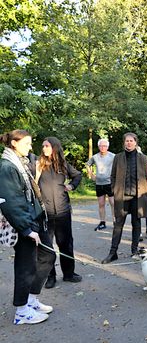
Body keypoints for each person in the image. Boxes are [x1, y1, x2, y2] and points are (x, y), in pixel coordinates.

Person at [0, 130, 56, 325]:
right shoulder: (7, 166)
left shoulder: (20, 161)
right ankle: (21, 312)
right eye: (27, 143)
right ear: (14, 143)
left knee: (48, 256)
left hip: (36, 219)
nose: (31, 147)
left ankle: (31, 300)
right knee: (26, 267)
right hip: (25, 225)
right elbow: (10, 201)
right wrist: (26, 228)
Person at [38, 137, 82, 289]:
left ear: (55, 147)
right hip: (46, 213)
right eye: (43, 146)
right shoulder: (38, 165)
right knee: (47, 247)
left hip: (63, 211)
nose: (44, 148)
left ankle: (69, 274)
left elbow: (78, 175)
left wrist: (71, 186)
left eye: (47, 146)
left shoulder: (63, 165)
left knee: (66, 244)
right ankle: (50, 277)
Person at [101, 133, 147, 264]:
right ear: (124, 143)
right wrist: (114, 190)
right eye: (127, 141)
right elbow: (113, 176)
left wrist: (145, 192)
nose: (129, 143)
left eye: (131, 141)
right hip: (121, 197)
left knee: (136, 224)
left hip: (137, 198)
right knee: (118, 225)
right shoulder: (118, 157)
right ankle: (113, 252)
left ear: (135, 143)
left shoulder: (143, 158)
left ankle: (134, 251)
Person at [86, 138, 115, 231]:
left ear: (108, 147)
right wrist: (91, 175)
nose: (103, 147)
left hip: (109, 183)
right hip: (99, 183)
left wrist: (115, 177)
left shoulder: (113, 156)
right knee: (101, 204)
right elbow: (87, 164)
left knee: (113, 203)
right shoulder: (95, 157)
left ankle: (115, 222)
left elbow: (119, 166)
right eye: (101, 146)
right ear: (98, 146)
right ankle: (102, 222)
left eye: (105, 146)